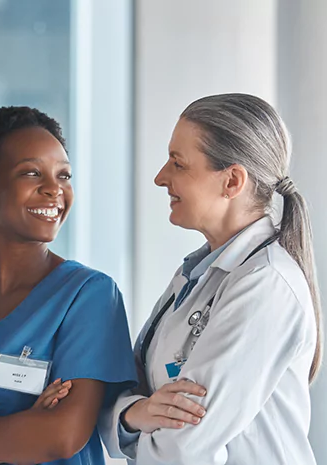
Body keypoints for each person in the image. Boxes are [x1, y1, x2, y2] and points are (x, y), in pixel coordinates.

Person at [99, 93, 321, 464]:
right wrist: (131, 415)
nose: (160, 177)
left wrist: (132, 427)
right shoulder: (197, 276)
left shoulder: (266, 285)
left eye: (178, 164)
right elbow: (129, 392)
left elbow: (183, 449)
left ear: (232, 180)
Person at [0, 106, 137, 464]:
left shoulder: (89, 295)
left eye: (64, 175)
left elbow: (61, 436)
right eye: (31, 173)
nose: (54, 189)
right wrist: (25, 429)